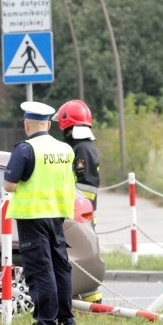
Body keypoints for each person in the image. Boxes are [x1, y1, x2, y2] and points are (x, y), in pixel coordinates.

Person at [3, 101, 77, 325]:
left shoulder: (25, 149)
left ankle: (45, 324)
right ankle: (66, 321)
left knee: (40, 270)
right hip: (58, 216)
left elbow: (10, 185)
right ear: (48, 124)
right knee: (60, 268)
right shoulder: (66, 150)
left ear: (27, 124)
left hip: (32, 216)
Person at [54, 99, 103, 303]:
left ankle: (94, 304)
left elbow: (87, 187)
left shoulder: (82, 149)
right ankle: (88, 302)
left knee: (83, 257)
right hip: (79, 213)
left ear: (67, 125)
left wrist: (76, 207)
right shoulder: (81, 147)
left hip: (79, 214)